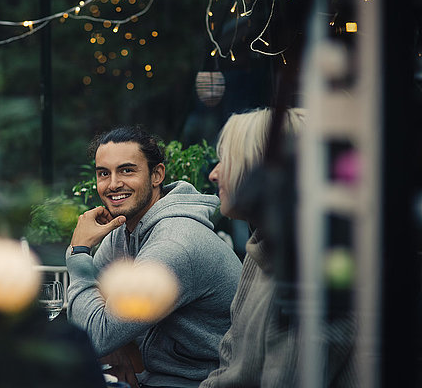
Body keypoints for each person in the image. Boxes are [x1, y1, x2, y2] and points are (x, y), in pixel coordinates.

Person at [65, 126, 242, 388]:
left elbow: (95, 334)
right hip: (152, 378)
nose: (113, 184)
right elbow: (88, 316)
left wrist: (79, 251)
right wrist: (122, 343)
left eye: (127, 170)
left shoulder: (175, 244)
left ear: (156, 174)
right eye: (104, 173)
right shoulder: (123, 229)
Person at [200, 108, 358, 387]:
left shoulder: (313, 273)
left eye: (226, 160)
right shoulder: (262, 247)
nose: (213, 174)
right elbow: (229, 357)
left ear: (262, 170)